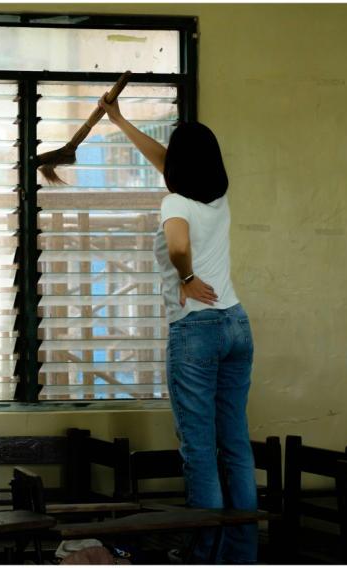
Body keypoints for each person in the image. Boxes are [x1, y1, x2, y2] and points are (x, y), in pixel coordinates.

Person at [99, 94, 258, 564]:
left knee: (199, 450)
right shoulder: (216, 196)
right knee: (234, 443)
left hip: (197, 330)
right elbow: (167, 162)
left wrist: (186, 279)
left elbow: (177, 245)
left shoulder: (175, 202)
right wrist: (119, 120)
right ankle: (242, 555)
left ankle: (205, 556)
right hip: (236, 326)